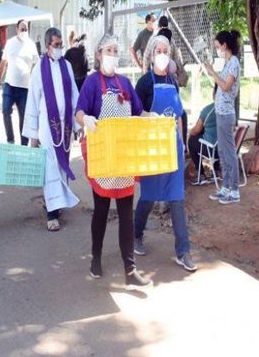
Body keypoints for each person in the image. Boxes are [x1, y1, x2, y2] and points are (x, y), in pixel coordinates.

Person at [75, 34, 151, 287]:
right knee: (101, 211)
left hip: (124, 158)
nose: (113, 54)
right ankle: (95, 258)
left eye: (116, 50)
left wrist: (156, 119)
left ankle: (130, 270)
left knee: (126, 215)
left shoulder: (126, 83)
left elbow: (139, 112)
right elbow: (79, 112)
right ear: (98, 54)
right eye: (109, 50)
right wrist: (85, 119)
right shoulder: (91, 83)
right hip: (103, 158)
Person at [134, 35, 197, 272]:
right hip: (151, 149)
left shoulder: (172, 81)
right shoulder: (144, 84)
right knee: (148, 197)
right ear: (151, 54)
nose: (162, 53)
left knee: (177, 198)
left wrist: (181, 142)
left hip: (172, 148)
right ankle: (137, 234)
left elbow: (179, 114)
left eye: (166, 50)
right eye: (158, 49)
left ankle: (184, 251)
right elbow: (135, 114)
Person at [22, 27, 80, 232]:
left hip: (64, 125)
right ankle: (52, 213)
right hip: (48, 125)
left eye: (61, 45)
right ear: (47, 46)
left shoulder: (67, 66)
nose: (59, 48)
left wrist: (78, 124)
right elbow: (32, 100)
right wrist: (33, 134)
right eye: (56, 45)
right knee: (50, 166)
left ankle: (58, 201)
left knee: (62, 163)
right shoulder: (39, 68)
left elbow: (74, 95)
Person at [205, 30, 241, 204]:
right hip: (221, 112)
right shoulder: (228, 62)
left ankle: (234, 190)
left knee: (228, 152)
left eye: (218, 46)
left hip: (226, 114)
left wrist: (212, 72)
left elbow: (226, 86)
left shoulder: (233, 62)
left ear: (225, 45)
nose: (217, 49)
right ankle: (226, 187)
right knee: (222, 151)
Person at [0, 20, 38, 145]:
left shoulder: (31, 45)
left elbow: (37, 65)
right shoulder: (10, 43)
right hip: (9, 85)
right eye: (22, 29)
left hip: (25, 88)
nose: (24, 31)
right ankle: (10, 139)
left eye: (26, 29)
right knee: (5, 110)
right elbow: (3, 63)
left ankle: (24, 144)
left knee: (24, 116)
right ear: (16, 29)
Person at [187, 98, 218, 186]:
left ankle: (201, 175)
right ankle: (216, 171)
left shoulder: (209, 109)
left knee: (192, 140)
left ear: (214, 95)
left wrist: (189, 133)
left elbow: (196, 130)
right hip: (227, 151)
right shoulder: (231, 110)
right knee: (216, 139)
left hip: (212, 151)